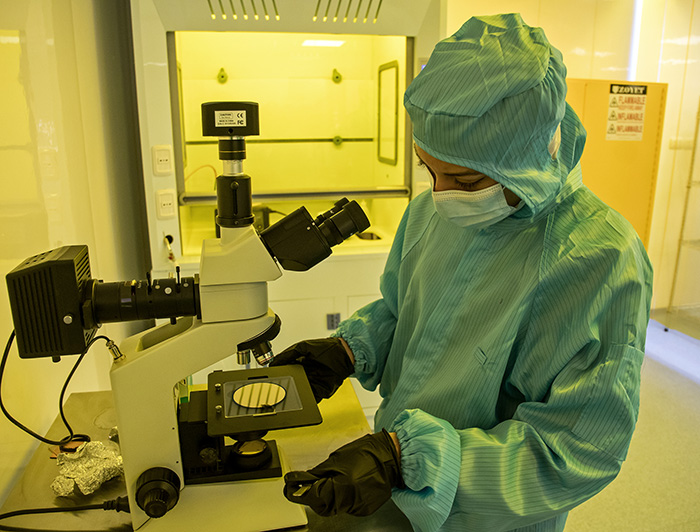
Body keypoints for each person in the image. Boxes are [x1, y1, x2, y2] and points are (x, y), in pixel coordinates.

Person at [270, 13, 653, 532]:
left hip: (486, 515)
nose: (443, 193)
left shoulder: (601, 260)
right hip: (390, 489)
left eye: (467, 179)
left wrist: (408, 460)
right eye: (430, 169)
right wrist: (347, 351)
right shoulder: (434, 210)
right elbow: (403, 311)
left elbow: (576, 452)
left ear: (529, 156)